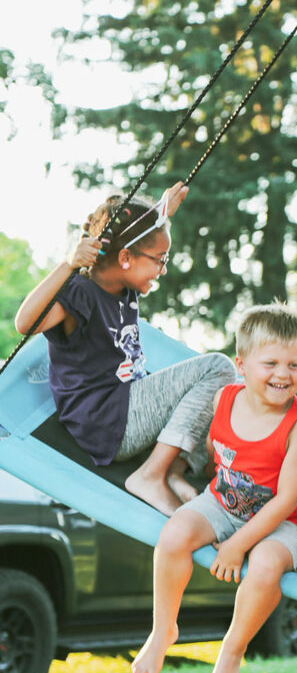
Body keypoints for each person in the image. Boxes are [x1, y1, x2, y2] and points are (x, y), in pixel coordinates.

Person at [131, 302, 297, 673]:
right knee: (174, 534)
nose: (283, 374)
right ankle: (162, 628)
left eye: (294, 365)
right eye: (270, 363)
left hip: (279, 522)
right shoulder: (224, 399)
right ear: (242, 364)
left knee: (266, 565)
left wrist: (237, 545)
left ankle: (232, 652)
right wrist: (182, 481)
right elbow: (215, 449)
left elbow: (285, 501)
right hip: (220, 503)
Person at [15, 182, 236, 516]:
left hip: (129, 409)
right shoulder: (81, 293)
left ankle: (173, 473)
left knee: (229, 399)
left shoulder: (123, 285)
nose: (163, 269)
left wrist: (160, 214)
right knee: (218, 367)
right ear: (125, 258)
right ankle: (152, 475)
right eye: (160, 260)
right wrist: (68, 264)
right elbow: (25, 324)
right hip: (108, 421)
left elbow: (133, 240)